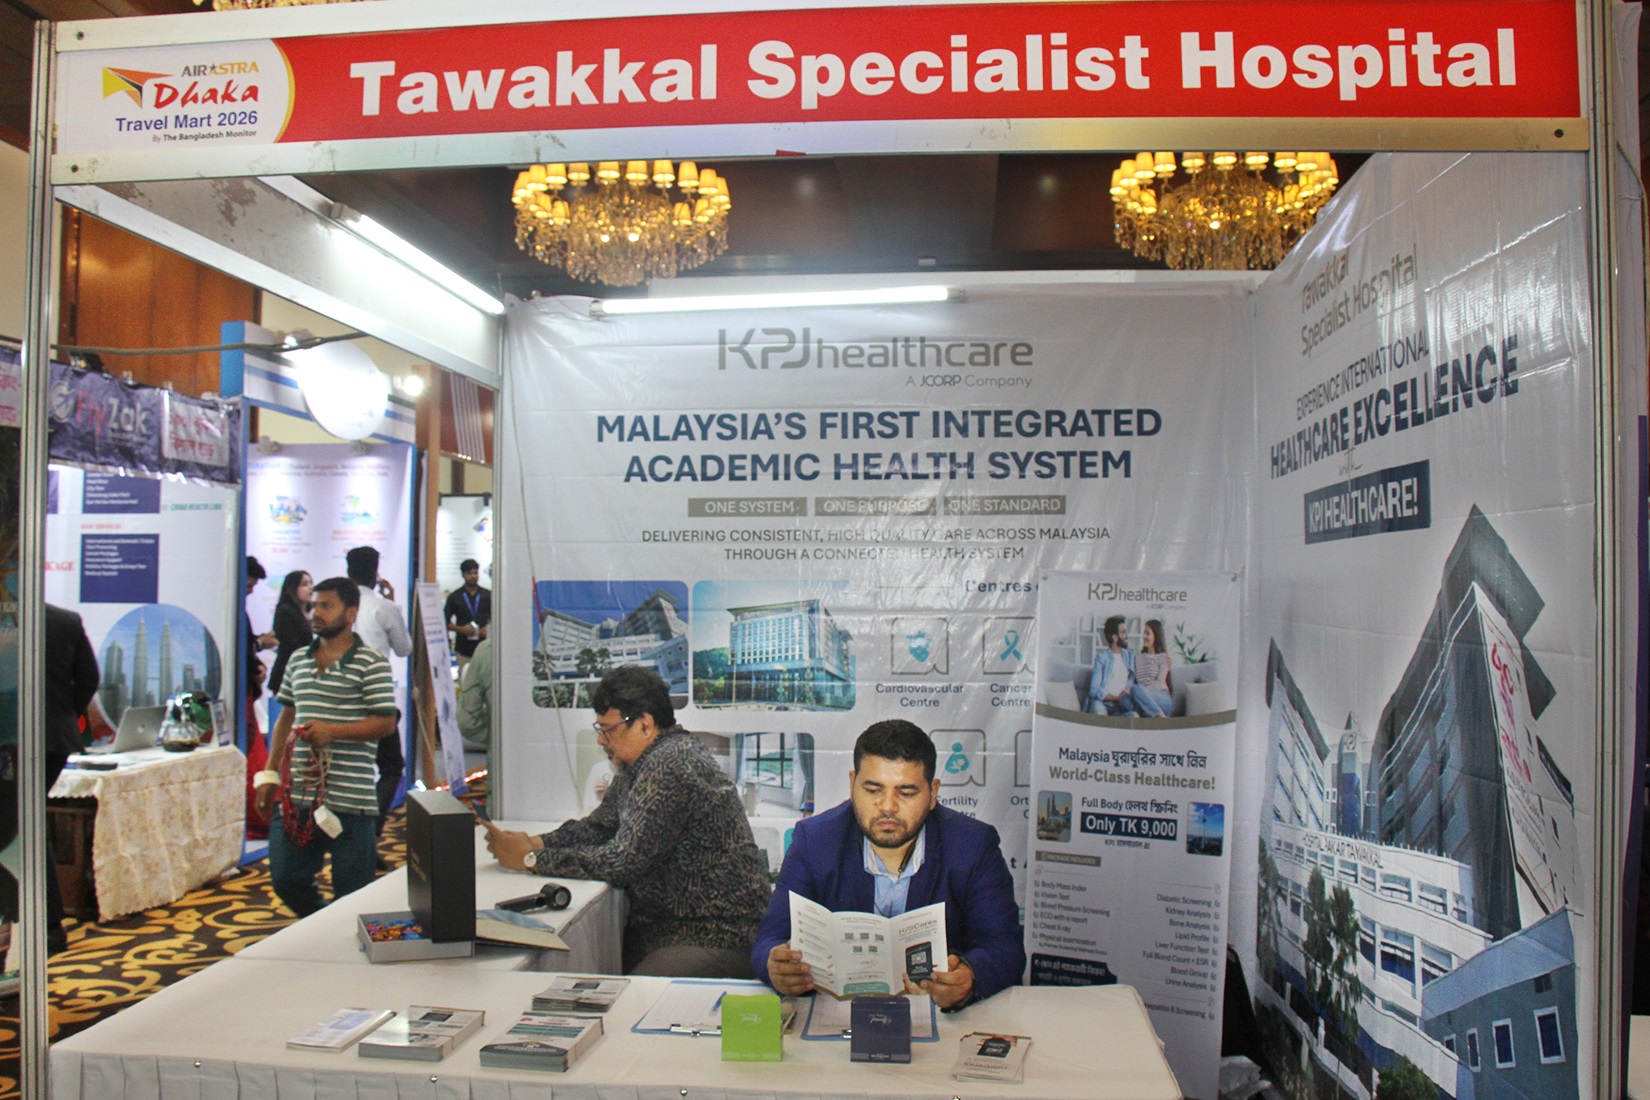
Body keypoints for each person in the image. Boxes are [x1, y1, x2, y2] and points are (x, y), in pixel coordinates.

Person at [484, 665, 769, 977]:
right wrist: (536, 842)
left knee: (627, 995)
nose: (601, 740)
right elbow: (599, 826)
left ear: (644, 724)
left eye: (608, 730)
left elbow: (622, 861)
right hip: (671, 930)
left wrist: (531, 859)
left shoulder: (671, 764)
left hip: (715, 935)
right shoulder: (643, 761)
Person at [752, 719, 1025, 1009]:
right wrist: (777, 967)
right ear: (852, 784)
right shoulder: (815, 841)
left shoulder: (973, 845)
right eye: (873, 790)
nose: (887, 807)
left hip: (940, 1018)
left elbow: (1005, 948)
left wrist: (968, 977)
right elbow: (769, 939)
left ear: (933, 793)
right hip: (837, 1015)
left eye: (906, 792)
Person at [253, 577, 398, 917]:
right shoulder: (298, 660)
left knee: (352, 894)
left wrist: (333, 732)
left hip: (351, 799)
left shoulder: (371, 663)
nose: (316, 613)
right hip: (298, 795)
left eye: (326, 606)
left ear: (350, 614)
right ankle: (321, 924)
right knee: (286, 879)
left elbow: (385, 723)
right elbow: (286, 717)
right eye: (314, 605)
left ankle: (337, 935)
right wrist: (270, 774)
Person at [344, 545, 411, 859]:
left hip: (343, 696)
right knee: (391, 767)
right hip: (376, 698)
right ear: (375, 572)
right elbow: (404, 648)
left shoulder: (340, 606)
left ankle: (352, 837)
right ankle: (369, 833)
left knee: (349, 771)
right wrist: (394, 603)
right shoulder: (384, 607)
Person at [41, 603, 99, 952]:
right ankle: (48, 927)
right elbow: (89, 679)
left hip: (12, 737)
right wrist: (62, 715)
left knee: (22, 827)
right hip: (53, 739)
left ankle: (45, 925)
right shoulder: (64, 620)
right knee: (29, 825)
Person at [267, 570, 314, 726]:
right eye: (304, 584)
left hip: (302, 675)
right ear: (292, 588)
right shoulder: (285, 611)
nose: (310, 588)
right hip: (287, 675)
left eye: (311, 583)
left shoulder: (307, 614)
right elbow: (292, 646)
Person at [1085, 614, 1137, 716]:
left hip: (1121, 706)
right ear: (1115, 637)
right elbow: (1094, 689)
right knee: (1099, 713)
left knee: (1134, 716)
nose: (1127, 635)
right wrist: (1116, 698)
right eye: (1123, 632)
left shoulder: (1130, 656)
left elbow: (1136, 682)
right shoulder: (1102, 658)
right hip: (1102, 703)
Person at [444, 558, 490, 668]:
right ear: (463, 575)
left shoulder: (488, 595)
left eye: (475, 573)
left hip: (485, 647)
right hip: (463, 648)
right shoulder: (455, 597)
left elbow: (498, 619)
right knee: (465, 677)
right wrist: (461, 629)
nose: (473, 576)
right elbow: (444, 622)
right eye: (469, 573)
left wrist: (489, 629)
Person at [1130, 618, 1174, 717]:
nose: (1144, 636)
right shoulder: (1137, 658)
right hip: (1143, 699)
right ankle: (1149, 715)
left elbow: (1159, 683)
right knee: (1125, 700)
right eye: (1144, 633)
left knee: (1136, 690)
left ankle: (1161, 717)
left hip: (1161, 697)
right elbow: (1132, 679)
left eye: (1148, 633)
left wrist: (1142, 691)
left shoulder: (1164, 657)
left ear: (1156, 636)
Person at [455, 635, 490, 747]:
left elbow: (466, 722)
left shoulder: (486, 650)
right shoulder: (486, 650)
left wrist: (496, 734)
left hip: (505, 748)